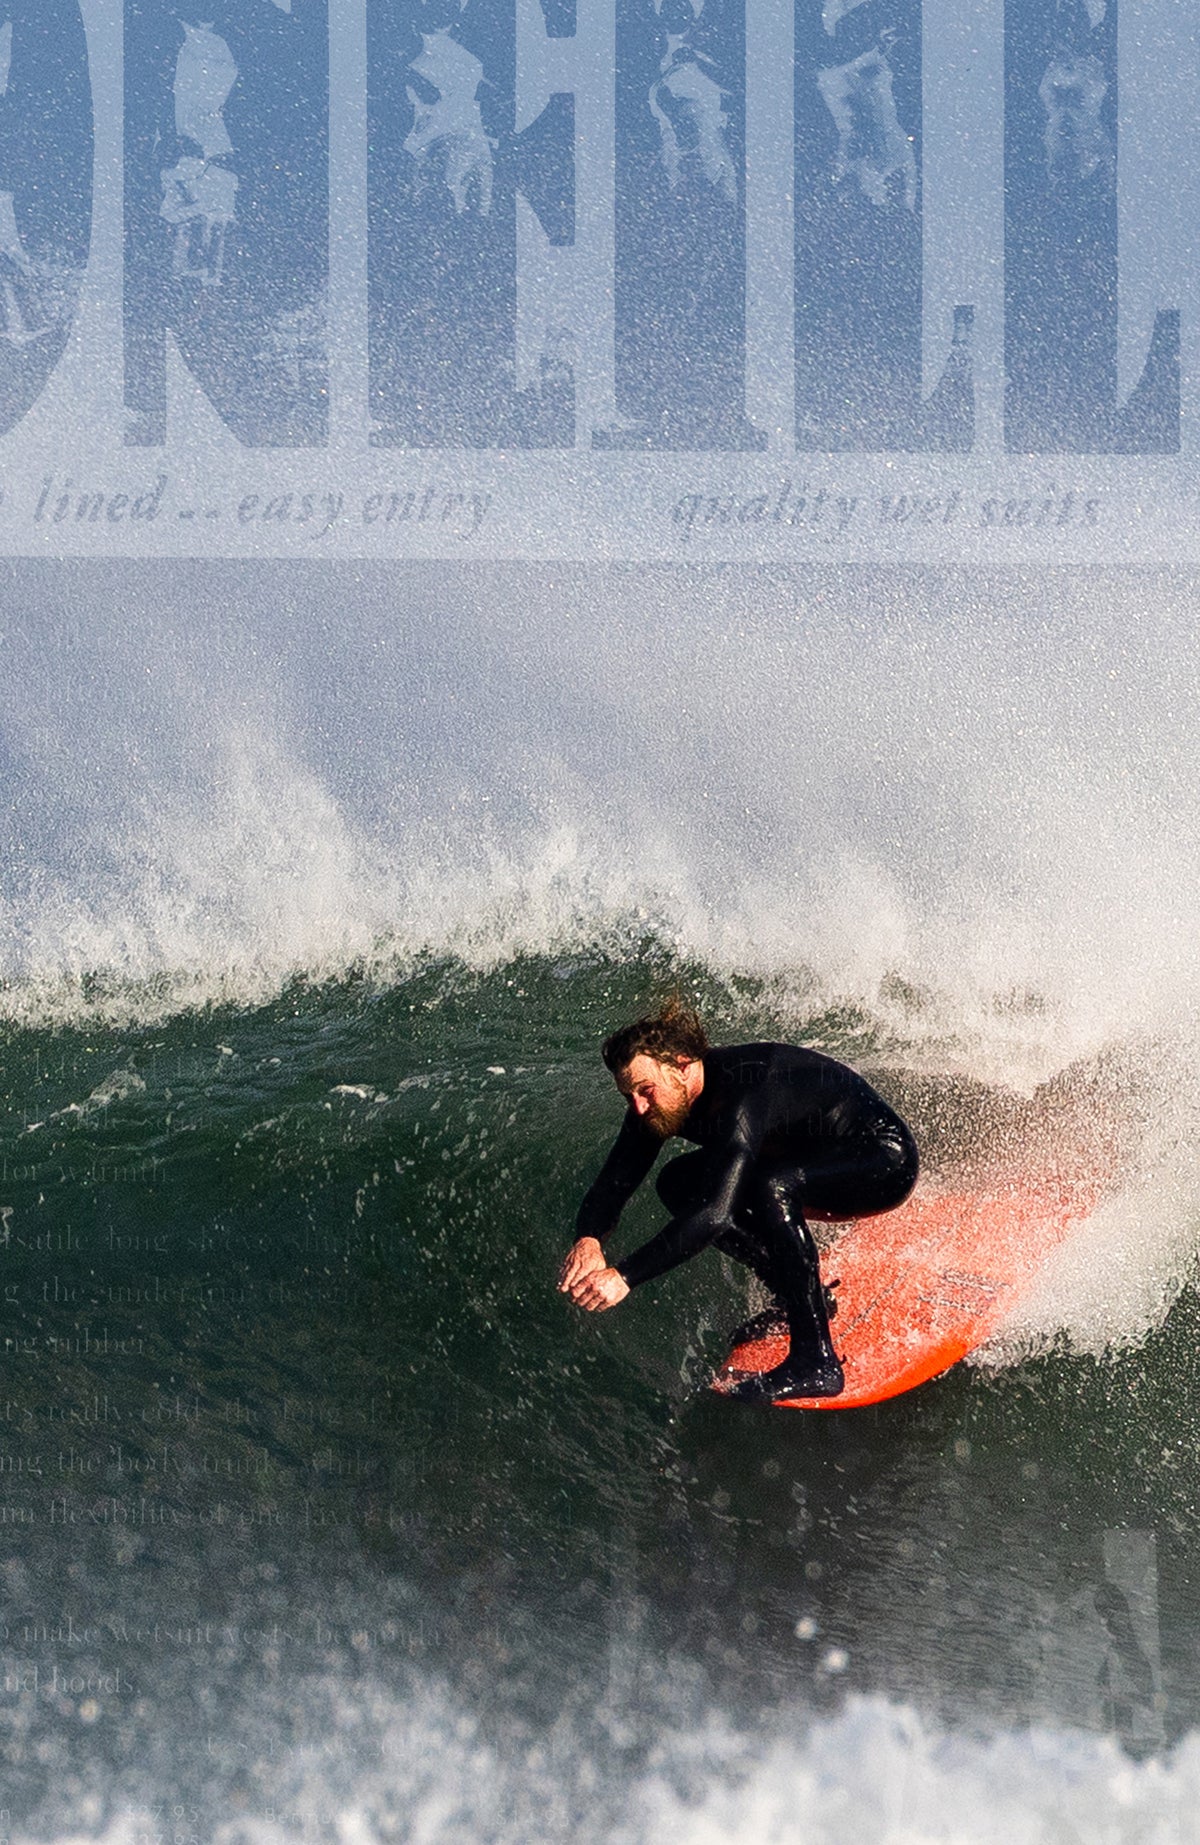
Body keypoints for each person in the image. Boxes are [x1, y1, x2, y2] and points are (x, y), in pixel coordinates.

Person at [558, 999, 919, 1403]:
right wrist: (589, 1239)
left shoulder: (742, 1094)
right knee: (676, 1182)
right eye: (629, 1096)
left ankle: (815, 1360)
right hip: (803, 1160)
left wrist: (624, 1276)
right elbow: (615, 1180)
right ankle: (798, 1297)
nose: (639, 1107)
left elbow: (715, 1214)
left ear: (682, 1065)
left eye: (645, 1091)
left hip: (881, 1163)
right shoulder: (658, 1105)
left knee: (770, 1185)